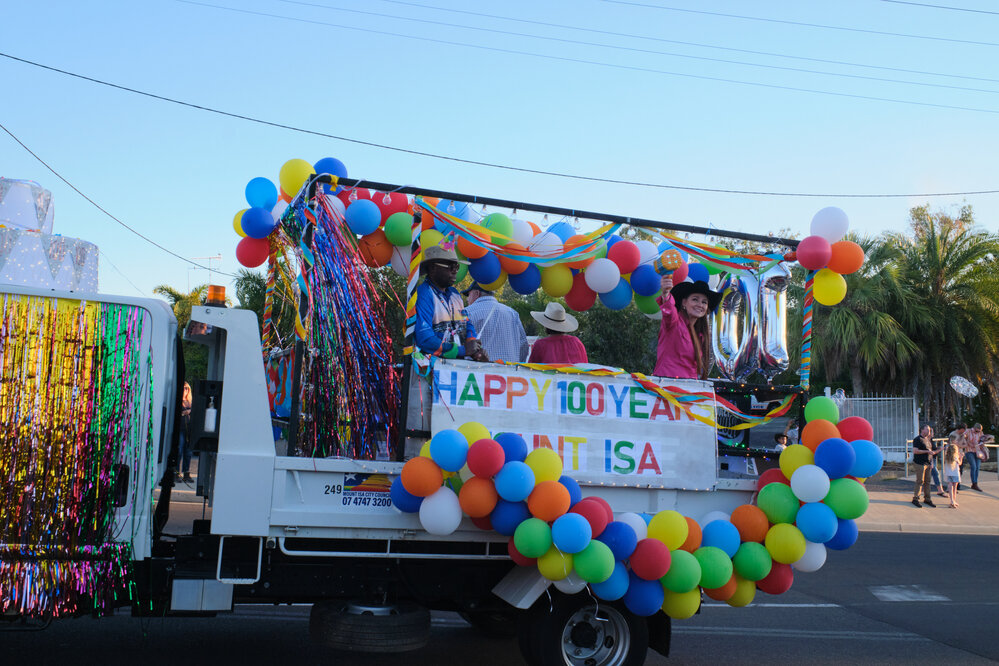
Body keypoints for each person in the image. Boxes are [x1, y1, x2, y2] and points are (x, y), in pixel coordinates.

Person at [414, 246, 487, 361]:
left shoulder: (455, 294)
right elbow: (425, 339)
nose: (455, 270)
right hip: (433, 372)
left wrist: (474, 347)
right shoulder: (424, 294)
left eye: (457, 266)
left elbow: (467, 324)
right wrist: (463, 350)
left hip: (456, 368)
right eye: (450, 266)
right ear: (433, 268)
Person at [654, 277, 722, 380]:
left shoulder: (700, 334)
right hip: (667, 386)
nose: (700, 305)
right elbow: (669, 309)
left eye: (704, 302)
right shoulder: (674, 322)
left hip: (689, 389)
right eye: (695, 299)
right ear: (684, 302)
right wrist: (666, 293)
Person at [463, 282, 529, 363]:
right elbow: (523, 346)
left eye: (468, 295)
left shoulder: (467, 312)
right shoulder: (512, 313)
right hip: (509, 373)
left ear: (477, 293)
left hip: (479, 373)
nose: (467, 299)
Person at [910, 425, 937, 508]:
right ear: (922, 430)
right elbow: (915, 451)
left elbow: (931, 452)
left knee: (927, 481)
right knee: (920, 481)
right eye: (927, 429)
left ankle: (927, 499)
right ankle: (916, 498)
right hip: (919, 463)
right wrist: (926, 451)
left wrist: (931, 462)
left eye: (929, 430)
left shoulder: (928, 440)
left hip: (928, 463)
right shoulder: (918, 439)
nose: (929, 431)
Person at [177, 381, 193, 484]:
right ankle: (177, 473)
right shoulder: (178, 401)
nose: (185, 390)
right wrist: (184, 413)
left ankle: (186, 472)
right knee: (179, 450)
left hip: (189, 430)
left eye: (187, 388)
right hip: (180, 428)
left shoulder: (190, 402)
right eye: (183, 388)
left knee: (188, 452)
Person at [961, 423, 985, 492]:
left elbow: (982, 440)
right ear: (974, 428)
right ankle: (974, 483)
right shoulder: (968, 431)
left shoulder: (980, 433)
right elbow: (962, 437)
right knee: (973, 466)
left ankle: (975, 483)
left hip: (977, 451)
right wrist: (968, 442)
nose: (978, 432)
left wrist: (983, 443)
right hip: (969, 451)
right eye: (977, 431)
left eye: (979, 431)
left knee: (977, 467)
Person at [943, 437, 963, 508]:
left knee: (950, 487)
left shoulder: (947, 456)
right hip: (955, 474)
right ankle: (954, 500)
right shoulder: (956, 457)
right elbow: (960, 463)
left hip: (948, 474)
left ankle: (951, 500)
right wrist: (961, 457)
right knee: (955, 488)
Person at [948, 423, 969, 490]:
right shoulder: (953, 434)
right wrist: (959, 444)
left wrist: (959, 445)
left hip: (960, 454)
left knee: (960, 470)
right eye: (964, 430)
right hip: (953, 454)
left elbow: (966, 445)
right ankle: (953, 486)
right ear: (961, 429)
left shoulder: (962, 435)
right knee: (954, 471)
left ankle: (957, 484)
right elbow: (953, 444)